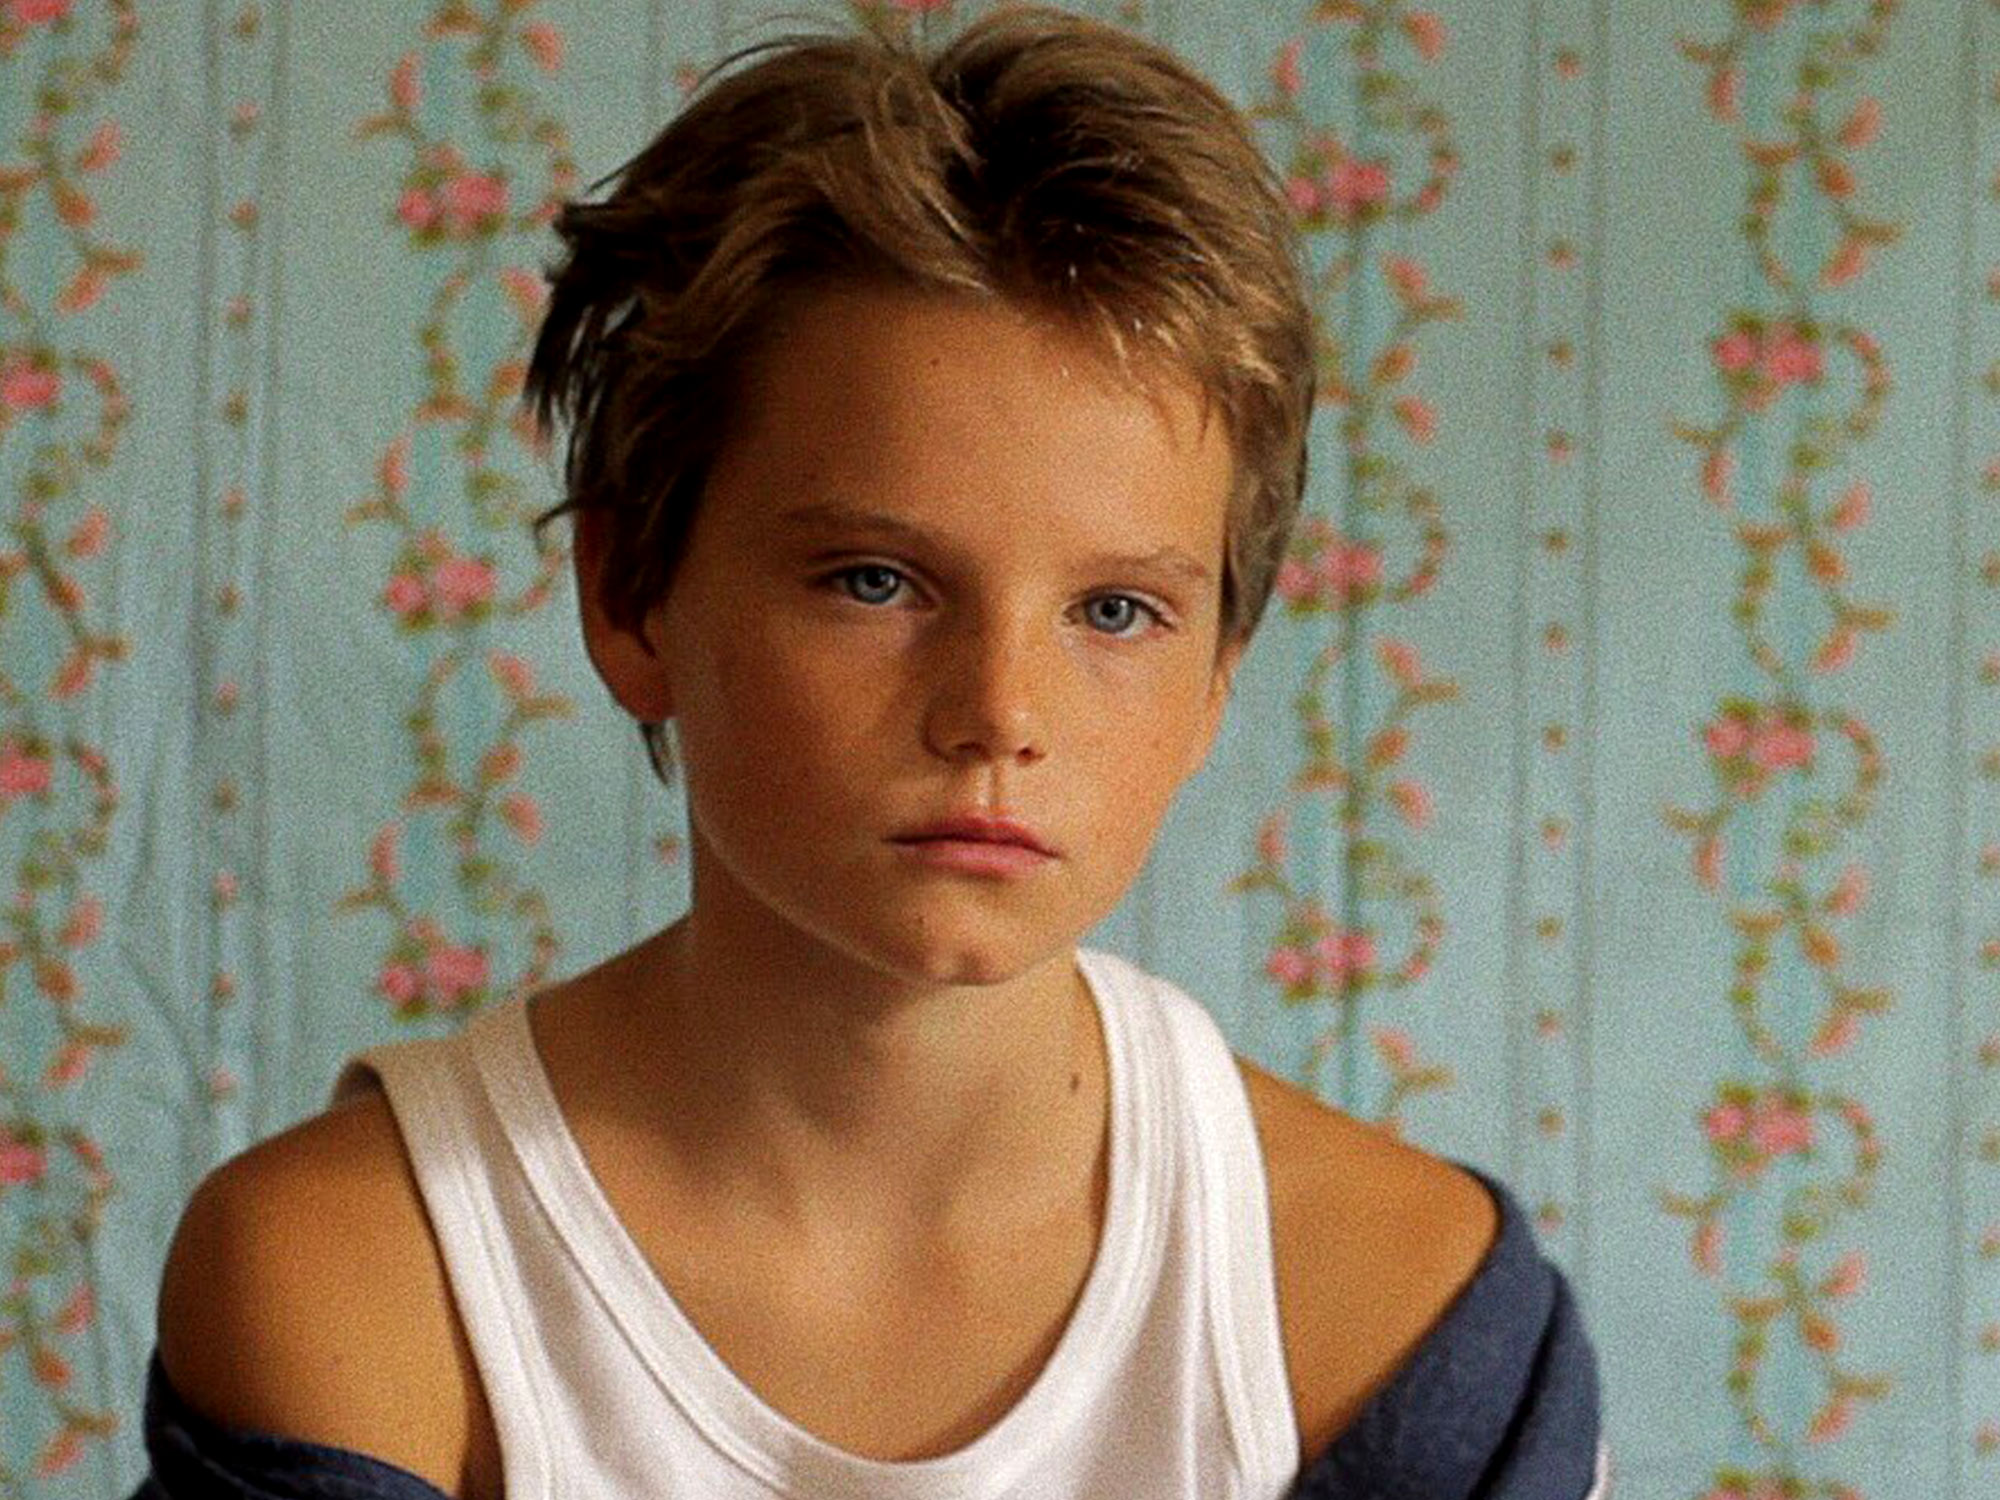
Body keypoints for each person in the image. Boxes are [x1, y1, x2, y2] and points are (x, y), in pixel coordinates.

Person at [131, 5, 1607, 1497]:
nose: (999, 713)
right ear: (631, 595)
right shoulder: (358, 1282)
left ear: (1221, 672)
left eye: (1114, 610)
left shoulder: (1397, 1320)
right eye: (875, 582)